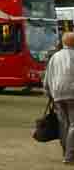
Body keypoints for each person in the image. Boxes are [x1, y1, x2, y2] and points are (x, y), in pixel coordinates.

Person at [44, 32, 74, 164]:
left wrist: (48, 92)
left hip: (57, 94)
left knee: (64, 124)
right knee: (73, 124)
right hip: (71, 93)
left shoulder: (55, 57)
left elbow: (47, 77)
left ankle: (65, 152)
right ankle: (69, 156)